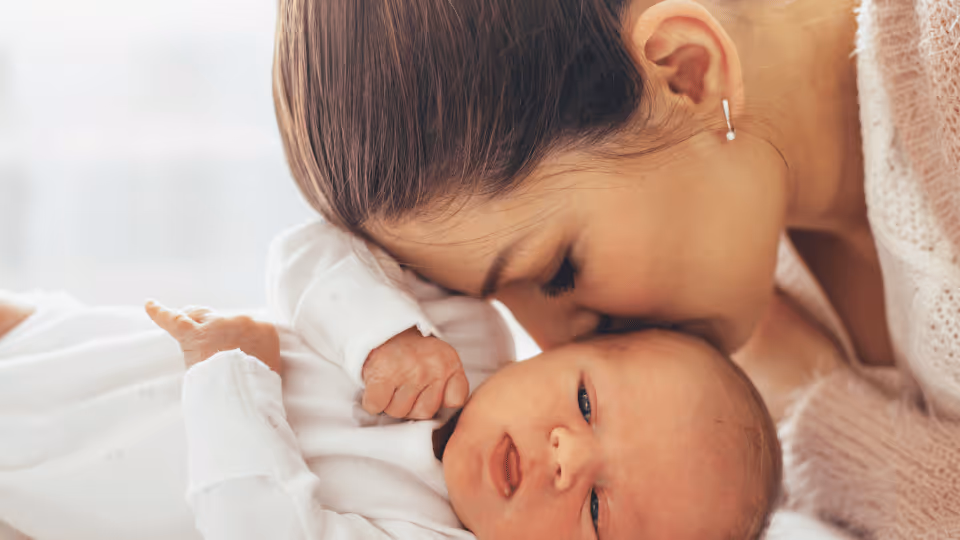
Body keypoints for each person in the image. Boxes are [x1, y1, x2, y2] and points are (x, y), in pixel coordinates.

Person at [272, 0, 960, 535]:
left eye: (560, 269)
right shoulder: (731, 302)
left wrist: (821, 419)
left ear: (684, 68)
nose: (552, 345)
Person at [0, 220, 781, 540]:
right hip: (72, 347)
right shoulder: (462, 326)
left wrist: (227, 374)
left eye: (601, 512)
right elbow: (310, 248)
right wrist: (382, 334)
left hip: (40, 491)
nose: (568, 457)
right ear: (558, 347)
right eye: (584, 402)